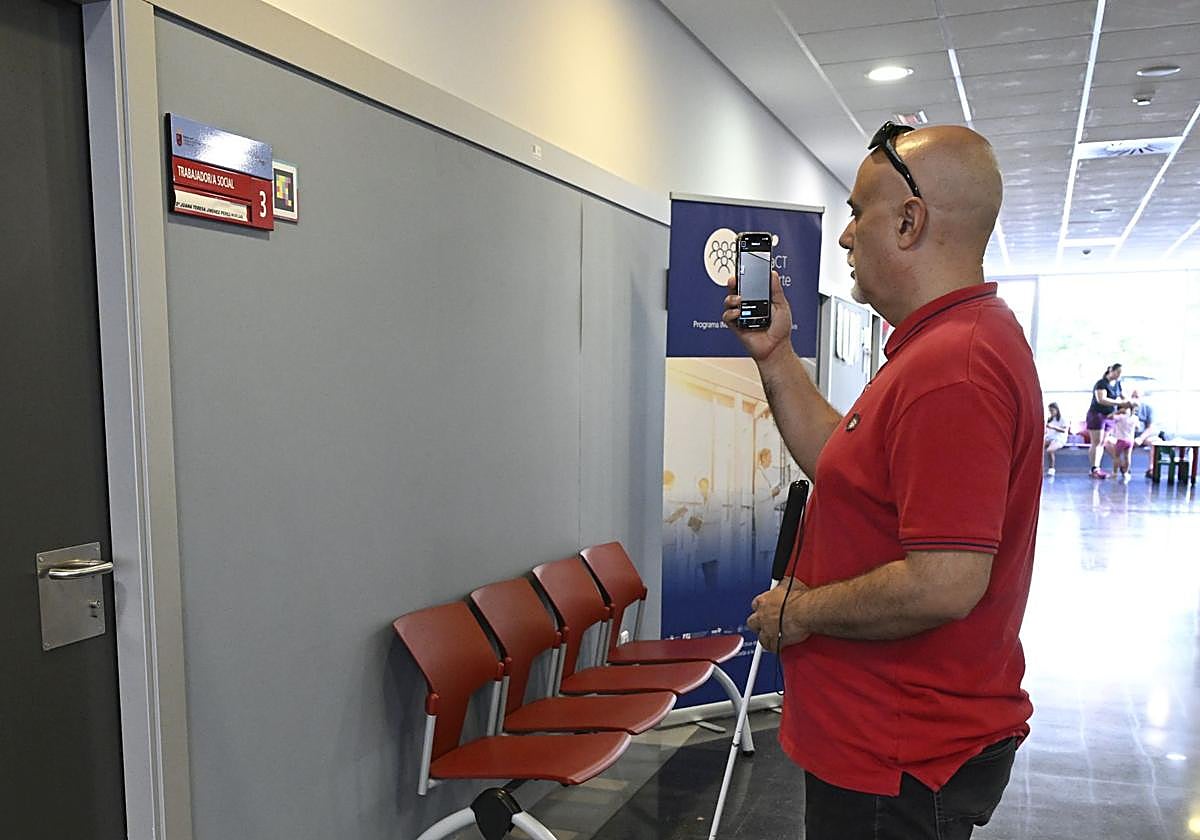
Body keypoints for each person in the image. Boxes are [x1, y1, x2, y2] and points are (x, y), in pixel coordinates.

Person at [724, 123, 1041, 839]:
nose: (844, 238)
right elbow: (844, 460)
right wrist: (776, 358)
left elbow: (945, 582)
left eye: (856, 212)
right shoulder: (944, 346)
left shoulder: (953, 367)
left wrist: (797, 614)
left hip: (898, 753)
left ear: (908, 221)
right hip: (888, 743)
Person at [1085, 364, 1129, 479]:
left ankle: (1096, 467)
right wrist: (1119, 403)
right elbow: (1101, 399)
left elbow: (1123, 397)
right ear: (1111, 370)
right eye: (1117, 372)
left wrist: (1129, 403)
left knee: (1102, 442)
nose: (1119, 375)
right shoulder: (1101, 383)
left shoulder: (1118, 385)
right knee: (1097, 442)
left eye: (1120, 372)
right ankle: (1095, 468)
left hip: (1108, 416)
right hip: (1096, 414)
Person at [1105, 406, 1137, 481]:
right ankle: (1126, 473)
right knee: (1127, 457)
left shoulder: (1121, 417)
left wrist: (1117, 412)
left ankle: (1115, 473)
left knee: (1116, 456)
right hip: (1130, 440)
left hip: (1121, 440)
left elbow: (1109, 417)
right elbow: (1138, 427)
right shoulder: (1135, 418)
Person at [1044, 402, 1067, 475]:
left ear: (1057, 410)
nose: (1051, 412)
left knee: (1050, 450)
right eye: (1049, 411)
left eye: (1052, 410)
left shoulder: (1062, 419)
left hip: (1059, 438)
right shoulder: (1050, 419)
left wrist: (1053, 427)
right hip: (1049, 437)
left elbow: (1064, 430)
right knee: (1038, 447)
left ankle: (1052, 468)